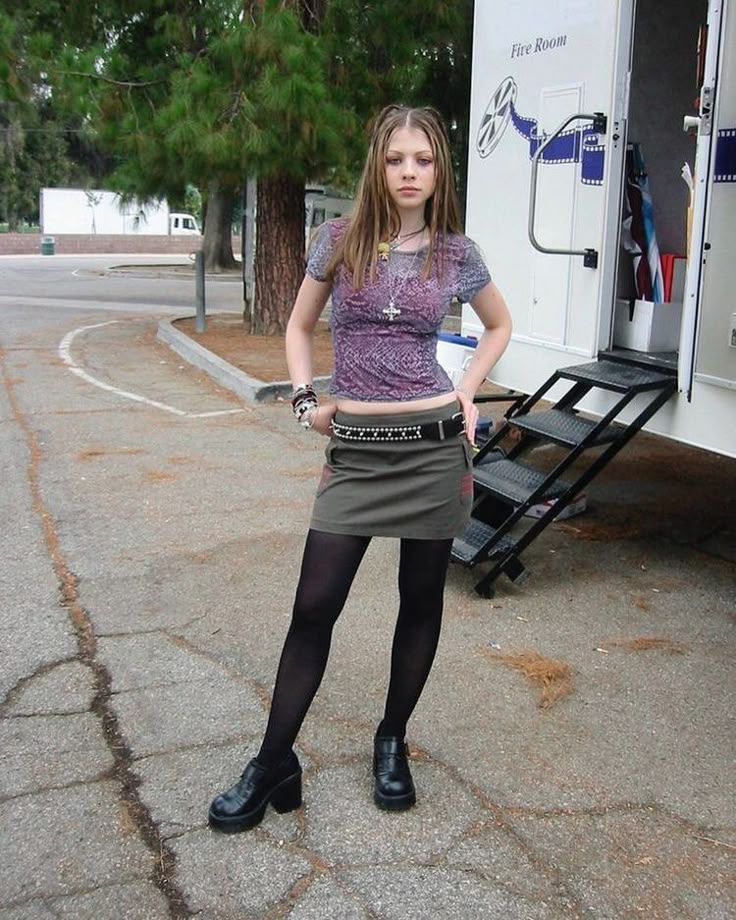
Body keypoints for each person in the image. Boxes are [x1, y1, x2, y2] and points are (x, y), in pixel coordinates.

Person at [208, 104, 512, 832]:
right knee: (314, 605)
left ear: (440, 170)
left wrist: (467, 392)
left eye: (425, 160)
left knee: (421, 601)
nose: (410, 172)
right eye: (397, 158)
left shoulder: (457, 253)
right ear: (378, 165)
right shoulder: (338, 240)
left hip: (435, 448)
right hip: (357, 451)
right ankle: (274, 759)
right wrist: (305, 398)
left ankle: (391, 741)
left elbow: (499, 325)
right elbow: (297, 324)